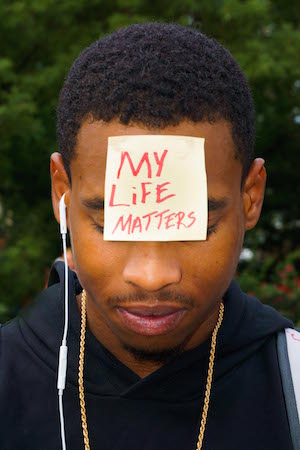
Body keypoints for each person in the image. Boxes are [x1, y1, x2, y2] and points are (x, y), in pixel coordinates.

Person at [0, 22, 297, 450]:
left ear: (250, 198)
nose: (152, 276)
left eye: (195, 225)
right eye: (112, 224)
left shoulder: (293, 383)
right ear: (62, 194)